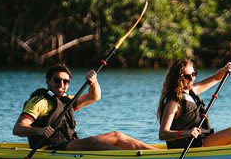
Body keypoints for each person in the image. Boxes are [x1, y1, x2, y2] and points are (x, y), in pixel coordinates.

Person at [13, 63, 156, 151]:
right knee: (94, 142)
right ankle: (132, 158)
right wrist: (40, 131)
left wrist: (93, 82)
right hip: (49, 148)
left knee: (116, 135)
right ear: (48, 81)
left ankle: (156, 153)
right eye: (57, 81)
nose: (61, 85)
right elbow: (18, 129)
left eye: (66, 82)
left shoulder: (67, 100)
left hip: (68, 144)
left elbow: (94, 97)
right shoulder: (39, 102)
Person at [157, 58, 231, 149]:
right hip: (190, 145)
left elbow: (216, 78)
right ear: (178, 78)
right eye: (188, 76)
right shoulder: (174, 102)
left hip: (203, 139)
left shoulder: (192, 91)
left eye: (194, 74)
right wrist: (186, 133)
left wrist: (226, 69)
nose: (192, 79)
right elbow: (163, 134)